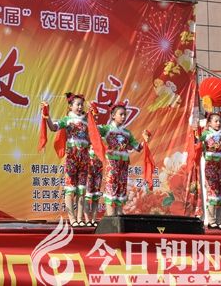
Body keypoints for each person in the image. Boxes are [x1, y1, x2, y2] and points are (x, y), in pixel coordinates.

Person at [42, 93, 91, 227]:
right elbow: (53, 127)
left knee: (81, 189)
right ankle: (72, 218)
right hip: (72, 158)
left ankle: (80, 218)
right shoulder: (67, 120)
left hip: (84, 157)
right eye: (77, 104)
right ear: (70, 106)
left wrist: (93, 112)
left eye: (82, 105)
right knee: (70, 189)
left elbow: (93, 135)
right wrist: (47, 116)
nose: (80, 107)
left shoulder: (87, 120)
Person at [97, 104, 150, 217]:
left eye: (125, 115)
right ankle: (111, 218)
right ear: (113, 116)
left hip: (124, 164)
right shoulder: (106, 129)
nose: (123, 117)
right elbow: (93, 130)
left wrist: (145, 141)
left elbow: (138, 147)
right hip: (112, 162)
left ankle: (119, 217)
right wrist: (92, 116)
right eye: (121, 114)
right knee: (111, 188)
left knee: (121, 188)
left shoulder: (127, 133)